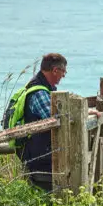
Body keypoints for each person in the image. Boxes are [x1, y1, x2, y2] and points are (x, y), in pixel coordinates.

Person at [16, 53, 69, 192]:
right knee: (48, 198)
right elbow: (58, 119)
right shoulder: (39, 92)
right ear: (55, 70)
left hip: (39, 156)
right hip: (42, 159)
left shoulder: (38, 86)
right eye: (63, 71)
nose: (64, 75)